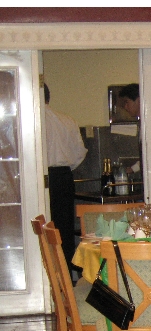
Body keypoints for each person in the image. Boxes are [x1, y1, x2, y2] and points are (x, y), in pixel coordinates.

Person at [44, 83, 87, 275]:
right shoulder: (67, 120)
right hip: (63, 176)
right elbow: (80, 153)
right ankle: (67, 277)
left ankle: (50, 276)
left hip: (43, 177)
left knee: (45, 228)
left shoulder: (32, 120)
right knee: (64, 229)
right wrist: (65, 167)